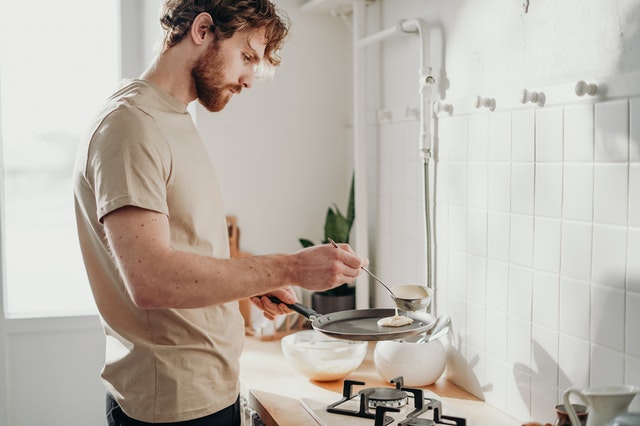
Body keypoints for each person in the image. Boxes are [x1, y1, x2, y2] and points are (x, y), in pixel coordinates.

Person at [73, 0, 366, 424]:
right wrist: (288, 268)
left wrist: (247, 285)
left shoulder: (171, 117)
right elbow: (151, 280)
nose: (249, 78)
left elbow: (183, 248)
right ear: (202, 30)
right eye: (246, 56)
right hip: (171, 406)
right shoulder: (131, 126)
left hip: (207, 390)